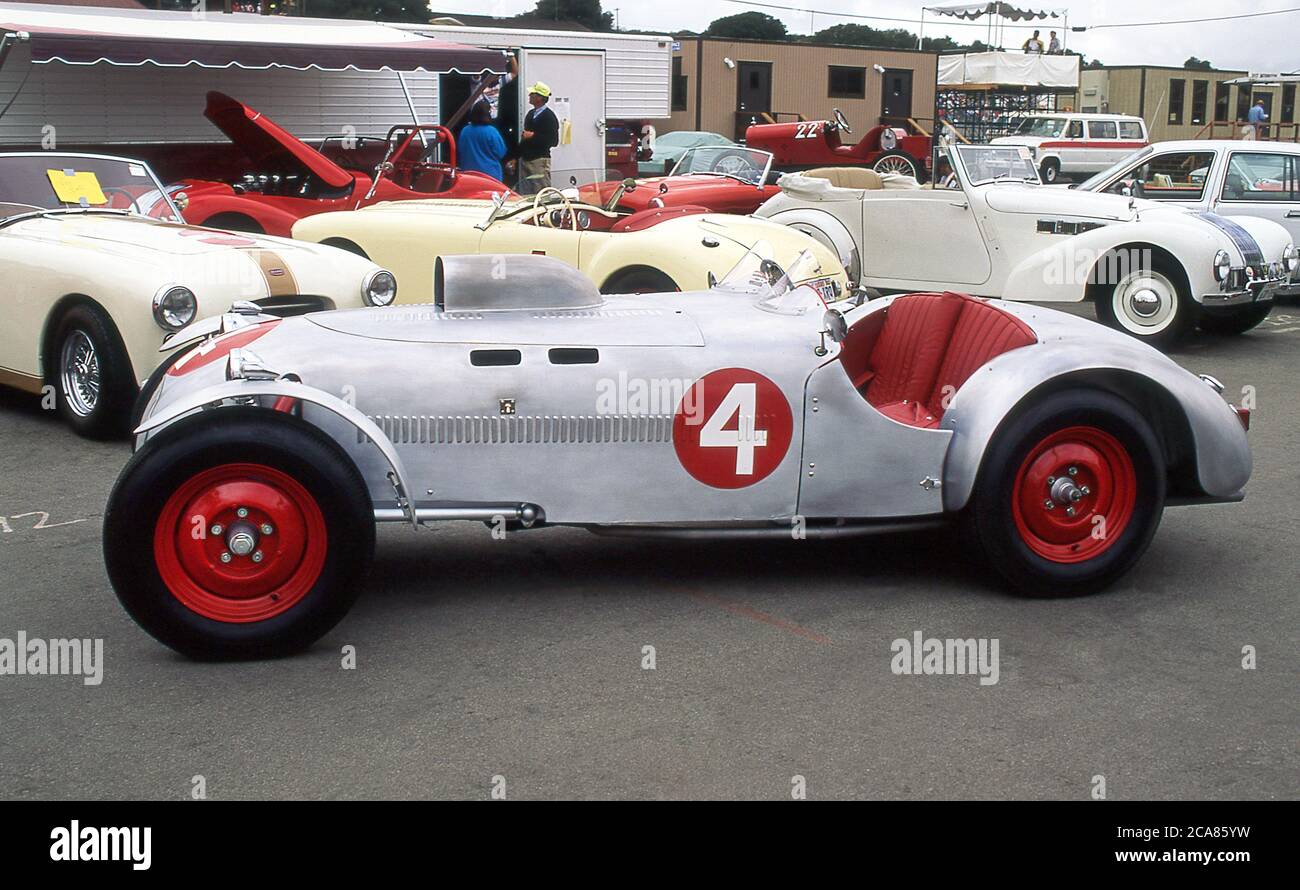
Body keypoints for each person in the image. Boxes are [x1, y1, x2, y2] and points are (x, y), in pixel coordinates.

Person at [508, 81, 560, 194]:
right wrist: (515, 157)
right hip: (526, 160)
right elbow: (524, 140)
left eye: (532, 94)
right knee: (526, 192)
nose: (529, 96)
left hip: (539, 161)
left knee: (541, 191)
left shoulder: (549, 117)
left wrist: (534, 136)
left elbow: (553, 141)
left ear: (540, 98)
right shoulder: (530, 114)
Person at [457, 101, 508, 183]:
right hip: (490, 175)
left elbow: (461, 150)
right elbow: (501, 152)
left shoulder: (465, 130)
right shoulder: (491, 131)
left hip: (468, 174)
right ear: (488, 113)